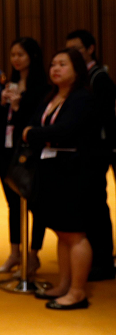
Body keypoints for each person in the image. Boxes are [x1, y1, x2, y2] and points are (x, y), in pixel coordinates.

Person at [23, 48, 100, 309]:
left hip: (74, 172)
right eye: (53, 64)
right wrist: (38, 132)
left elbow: (64, 131)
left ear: (77, 70)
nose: (55, 68)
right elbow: (34, 125)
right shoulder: (51, 96)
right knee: (62, 232)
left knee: (75, 233)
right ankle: (64, 284)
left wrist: (36, 133)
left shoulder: (83, 98)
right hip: (52, 170)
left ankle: (78, 291)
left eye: (63, 64)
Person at [0, 37, 48, 276]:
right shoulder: (10, 82)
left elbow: (35, 122)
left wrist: (18, 107)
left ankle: (33, 255)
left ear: (32, 56)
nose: (15, 59)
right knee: (12, 202)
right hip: (6, 149)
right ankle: (15, 253)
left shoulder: (41, 86)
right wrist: (2, 104)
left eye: (20, 54)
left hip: (30, 152)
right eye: (13, 55)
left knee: (35, 204)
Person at [65, 29, 115, 281]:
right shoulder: (83, 78)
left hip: (97, 151)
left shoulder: (99, 78)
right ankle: (97, 257)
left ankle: (104, 261)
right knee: (90, 205)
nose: (74, 54)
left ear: (91, 48)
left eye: (78, 50)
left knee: (97, 206)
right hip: (86, 152)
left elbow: (104, 119)